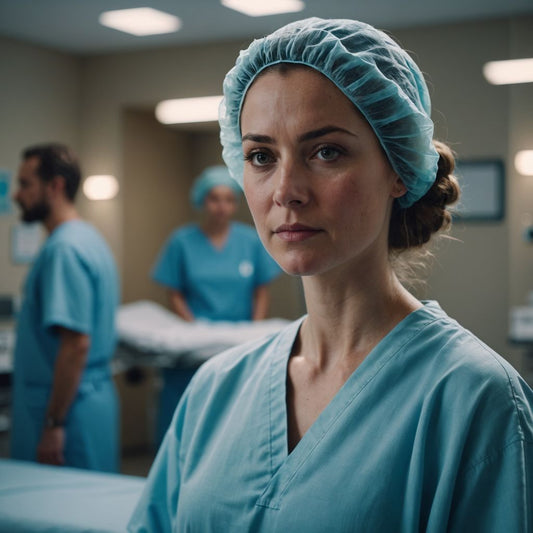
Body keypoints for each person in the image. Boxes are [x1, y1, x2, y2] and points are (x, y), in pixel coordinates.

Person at [129, 18, 533, 532]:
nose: (286, 190)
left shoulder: (474, 401)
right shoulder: (216, 390)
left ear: (398, 168)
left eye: (326, 152)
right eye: (261, 157)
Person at [151, 164, 282, 444]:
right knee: (184, 430)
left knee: (233, 430)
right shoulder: (182, 242)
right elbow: (174, 292)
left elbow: (261, 290)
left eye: (229, 199)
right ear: (201, 200)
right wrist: (195, 330)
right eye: (214, 199)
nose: (222, 207)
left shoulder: (250, 240)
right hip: (193, 350)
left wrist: (252, 332)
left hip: (238, 346)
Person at [11, 143, 120, 472]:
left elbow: (75, 344)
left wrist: (53, 424)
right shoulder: (87, 238)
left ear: (55, 186)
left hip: (67, 413)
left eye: (25, 184)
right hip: (86, 401)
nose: (17, 195)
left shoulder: (64, 250)